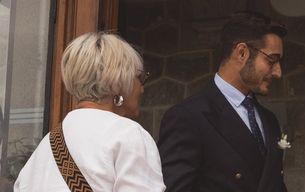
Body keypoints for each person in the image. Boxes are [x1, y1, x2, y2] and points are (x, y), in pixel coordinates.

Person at [14, 31, 165, 191]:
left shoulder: (43, 150)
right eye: (140, 78)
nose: (141, 89)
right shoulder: (128, 135)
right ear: (119, 81)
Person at [158, 11, 288, 192]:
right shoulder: (188, 117)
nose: (278, 72)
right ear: (241, 53)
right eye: (271, 60)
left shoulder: (270, 121)